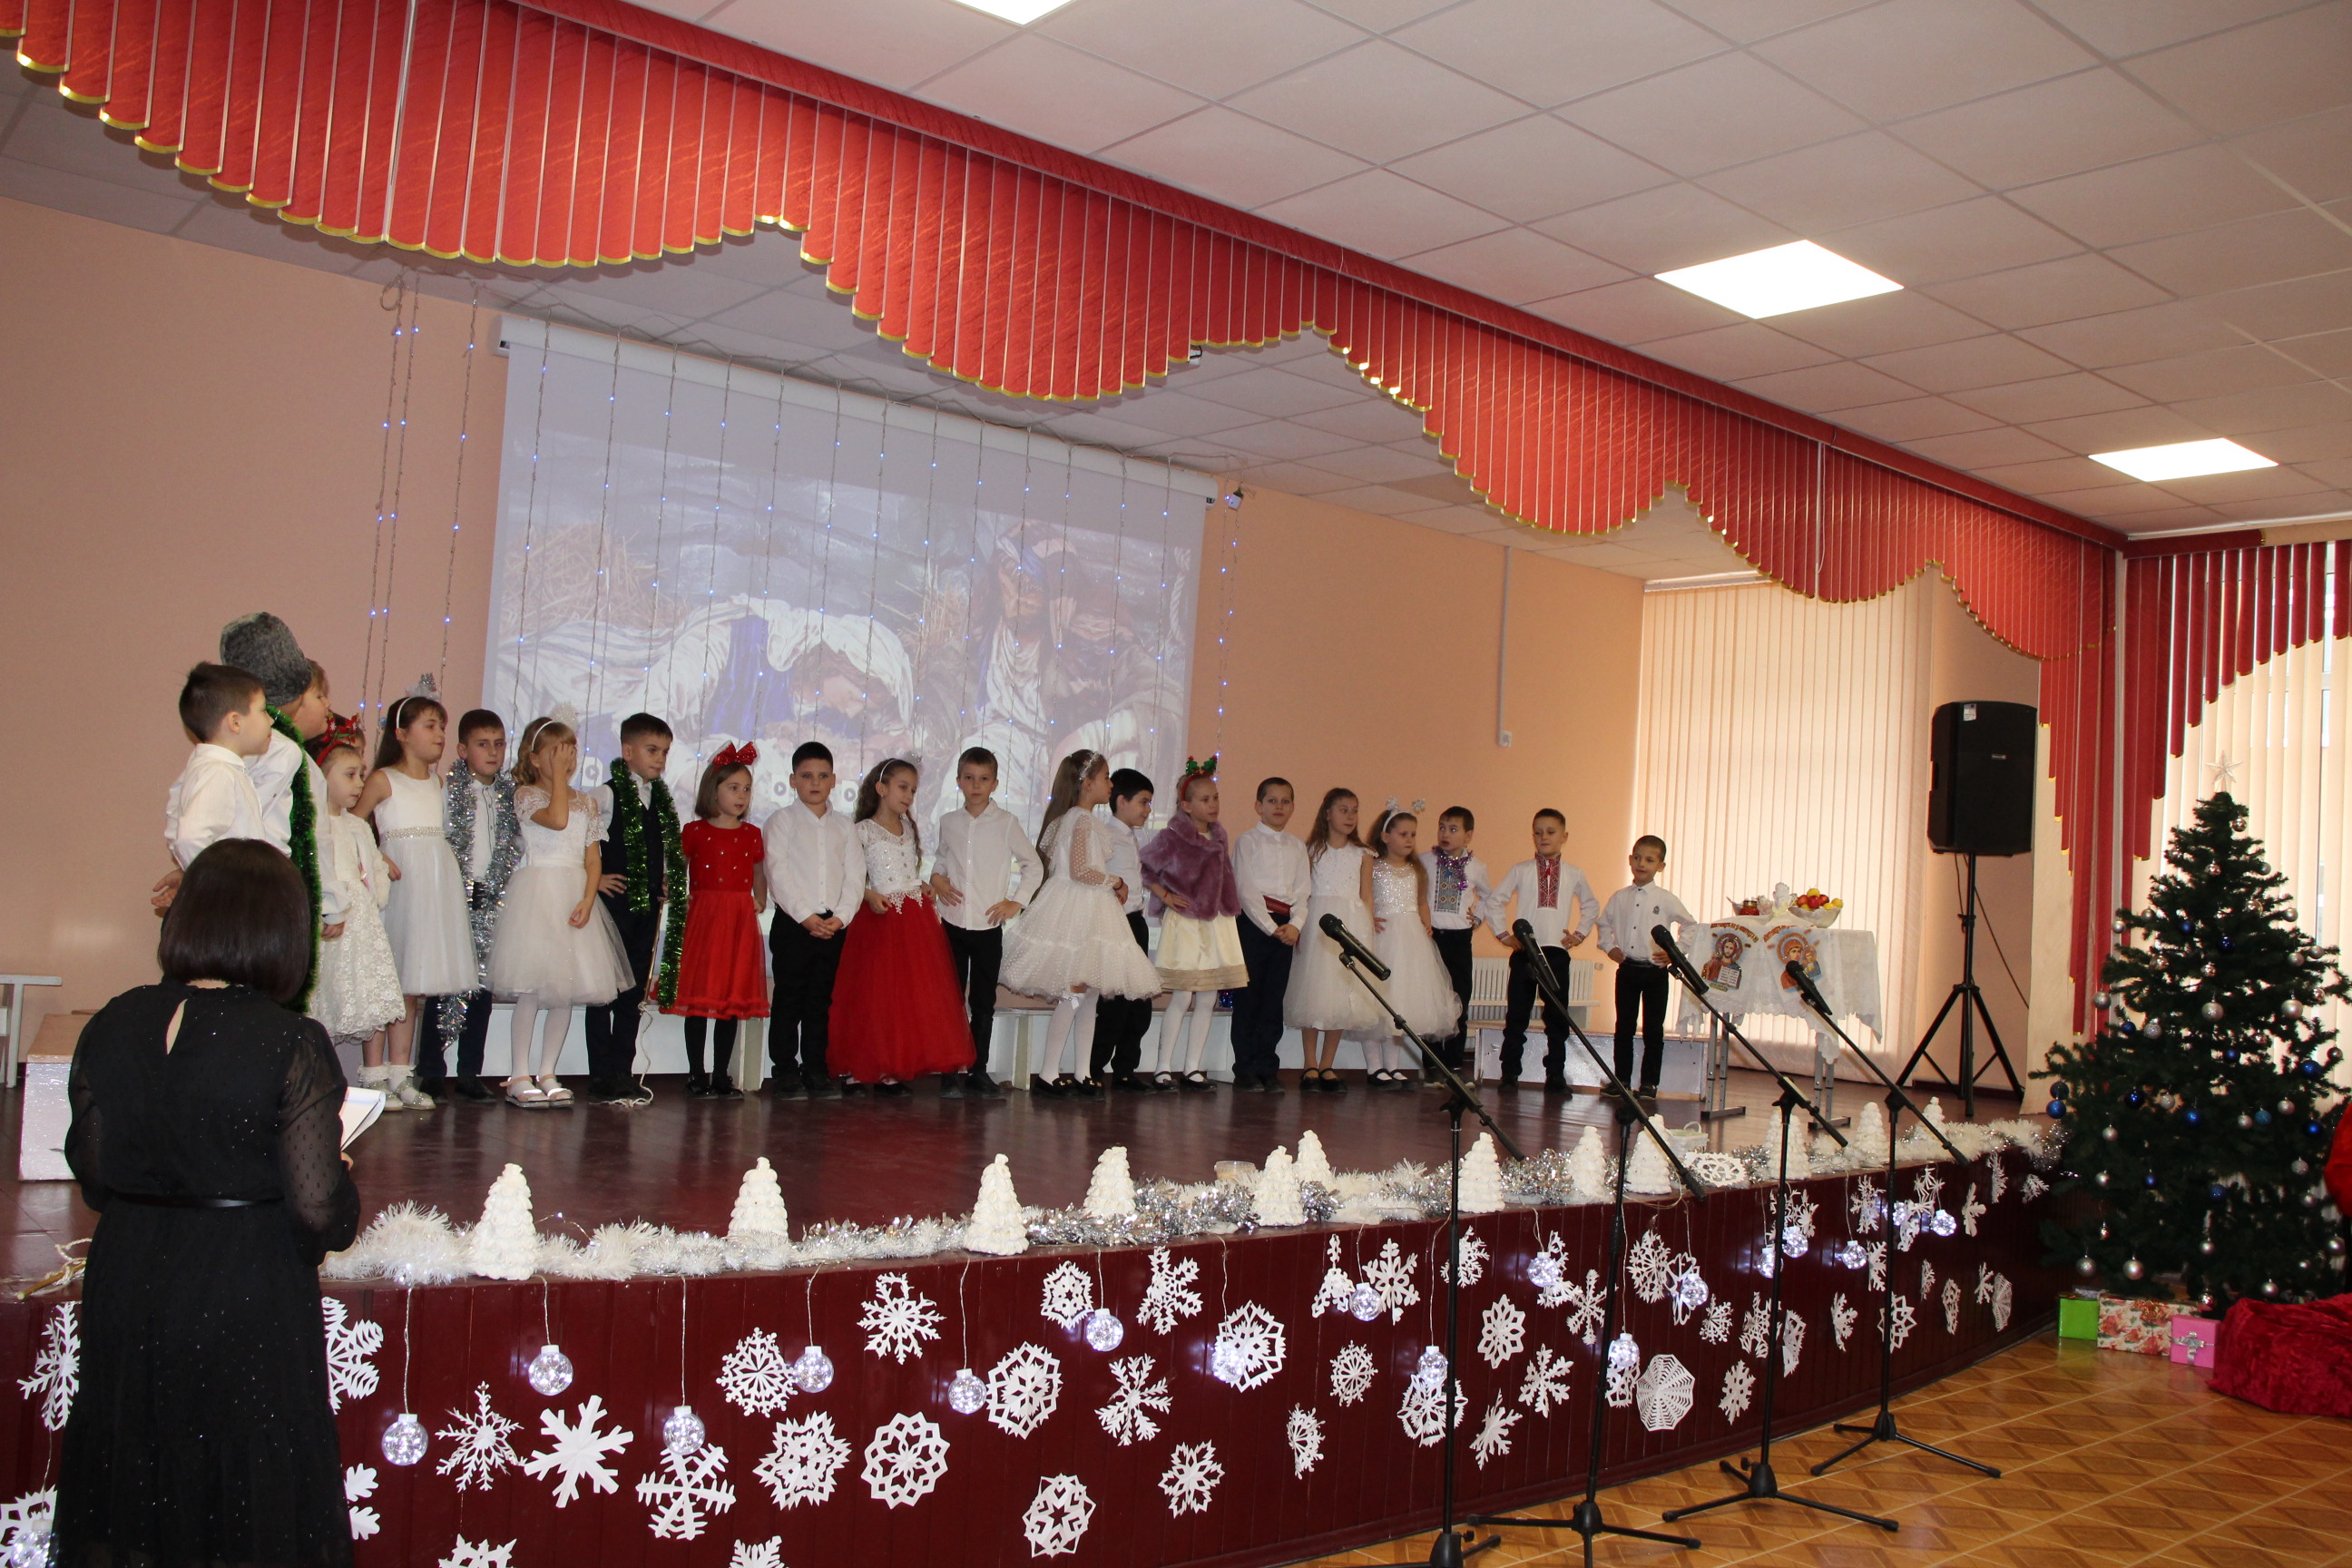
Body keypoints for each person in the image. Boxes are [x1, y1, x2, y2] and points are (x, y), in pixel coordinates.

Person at [59, 838, 359, 1568]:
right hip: (242, 1286)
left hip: (128, 1278)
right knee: (246, 1487)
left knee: (135, 1473)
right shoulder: (291, 1040)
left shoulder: (111, 1021)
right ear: (281, 933)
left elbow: (94, 1175)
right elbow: (320, 1213)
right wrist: (341, 1178)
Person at [489, 718, 634, 1107]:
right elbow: (557, 820)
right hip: (539, 896)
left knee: (564, 991)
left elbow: (593, 860)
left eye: (570, 750)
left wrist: (588, 899)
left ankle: (548, 1070)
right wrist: (555, 778)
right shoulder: (526, 795)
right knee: (532, 989)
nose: (566, 758)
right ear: (535, 758)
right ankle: (520, 1073)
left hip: (574, 896)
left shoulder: (587, 802)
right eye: (556, 752)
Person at [1002, 749, 1160, 1097]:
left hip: (1085, 907)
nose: (1110, 783)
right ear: (1087, 784)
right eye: (1105, 778)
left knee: (1087, 995)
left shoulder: (1072, 819)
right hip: (1078, 908)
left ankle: (1084, 1071)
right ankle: (1048, 1072)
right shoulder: (1082, 820)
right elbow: (1081, 871)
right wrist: (1116, 881)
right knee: (1074, 995)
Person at [831, 759, 977, 1095]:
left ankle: (891, 1068)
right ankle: (861, 1068)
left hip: (913, 918)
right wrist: (868, 894)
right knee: (874, 994)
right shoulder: (862, 830)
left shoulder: (908, 828)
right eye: (902, 787)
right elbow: (849, 876)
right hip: (879, 918)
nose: (909, 795)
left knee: (904, 997)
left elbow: (907, 872)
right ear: (881, 788)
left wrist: (922, 885)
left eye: (912, 790)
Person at [356, 690, 472, 1109]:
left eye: (442, 726)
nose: (440, 734)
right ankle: (373, 1077)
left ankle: (401, 1075)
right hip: (397, 887)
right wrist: (376, 856)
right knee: (386, 980)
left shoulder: (440, 783)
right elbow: (352, 827)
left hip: (431, 887)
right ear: (402, 734)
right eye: (430, 726)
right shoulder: (383, 779)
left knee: (411, 983)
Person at [928, 745, 1042, 1099]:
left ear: (994, 784)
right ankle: (949, 1071)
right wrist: (937, 878)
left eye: (983, 779)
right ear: (959, 780)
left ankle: (978, 1071)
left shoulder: (1006, 823)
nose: (976, 785)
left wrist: (1016, 902)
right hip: (952, 924)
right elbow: (941, 860)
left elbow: (1033, 865)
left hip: (987, 928)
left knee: (982, 1003)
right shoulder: (949, 822)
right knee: (950, 1001)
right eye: (969, 778)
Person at [420, 709, 517, 1103]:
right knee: (444, 984)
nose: (492, 752)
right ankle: (430, 1071)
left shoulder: (510, 796)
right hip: (457, 895)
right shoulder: (449, 791)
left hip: (494, 898)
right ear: (462, 750)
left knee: (481, 991)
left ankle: (469, 1072)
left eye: (499, 744)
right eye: (482, 744)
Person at [584, 712, 679, 1104]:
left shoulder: (660, 799)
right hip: (613, 908)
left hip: (646, 910)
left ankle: (622, 1070)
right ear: (627, 751)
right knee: (604, 990)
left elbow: (658, 849)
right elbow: (579, 841)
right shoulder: (605, 795)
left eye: (665, 752)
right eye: (652, 750)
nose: (660, 759)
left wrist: (663, 877)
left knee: (634, 990)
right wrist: (594, 878)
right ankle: (601, 1074)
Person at [666, 743, 769, 1099]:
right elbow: (677, 868)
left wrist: (760, 897)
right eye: (733, 787)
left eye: (746, 789)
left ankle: (722, 1074)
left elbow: (758, 869)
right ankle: (697, 1073)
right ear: (713, 790)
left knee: (731, 1001)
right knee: (699, 999)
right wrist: (676, 892)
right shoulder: (694, 831)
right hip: (706, 919)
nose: (741, 795)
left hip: (738, 919)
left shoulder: (751, 834)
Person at [763, 741, 864, 1099]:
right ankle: (785, 1069)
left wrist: (841, 917)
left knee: (821, 1001)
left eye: (822, 776)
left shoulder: (845, 826)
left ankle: (816, 1068)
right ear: (793, 780)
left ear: (834, 780)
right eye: (806, 776)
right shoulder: (781, 822)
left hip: (833, 926)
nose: (815, 783)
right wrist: (806, 917)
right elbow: (778, 873)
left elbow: (855, 877)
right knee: (789, 998)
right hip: (794, 924)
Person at [1141, 759, 1249, 1093]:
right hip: (1187, 924)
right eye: (1205, 799)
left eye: (1215, 798)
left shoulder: (1219, 835)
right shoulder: (1172, 836)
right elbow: (1145, 867)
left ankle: (1193, 1068)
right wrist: (1165, 895)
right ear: (1186, 805)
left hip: (1217, 922)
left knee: (1208, 996)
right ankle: (1163, 1067)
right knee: (1183, 995)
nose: (1213, 805)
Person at [1485, 808, 1600, 1093]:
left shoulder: (1574, 873)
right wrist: (1504, 935)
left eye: (1550, 832)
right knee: (1517, 1015)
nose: (1543, 837)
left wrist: (1578, 935)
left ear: (1564, 836)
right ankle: (1510, 1073)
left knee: (1557, 1017)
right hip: (1525, 952)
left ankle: (1556, 1075)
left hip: (1556, 953)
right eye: (1538, 832)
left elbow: (1591, 905)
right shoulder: (1521, 869)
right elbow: (1495, 901)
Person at [306, 741, 404, 1063]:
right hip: (331, 918)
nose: (360, 783)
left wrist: (378, 884)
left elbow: (372, 862)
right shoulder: (313, 824)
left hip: (360, 920)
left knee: (366, 992)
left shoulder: (359, 825)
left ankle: (374, 1074)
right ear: (322, 777)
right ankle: (318, 1071)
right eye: (350, 775)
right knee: (326, 995)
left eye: (361, 775)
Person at [1286, 788, 1384, 1091]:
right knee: (1313, 992)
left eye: (1354, 810)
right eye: (1343, 810)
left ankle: (1327, 1064)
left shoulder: (1363, 854)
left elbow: (1366, 896)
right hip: (1318, 924)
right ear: (1327, 813)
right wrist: (1299, 926)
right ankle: (1309, 1064)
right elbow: (1302, 892)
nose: (1350, 816)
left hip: (1350, 925)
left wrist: (1365, 932)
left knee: (1342, 994)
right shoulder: (1311, 850)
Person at [1360, 806, 1463, 1088]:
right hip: (1383, 937)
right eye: (1403, 834)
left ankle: (1393, 1067)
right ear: (1385, 836)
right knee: (1376, 1005)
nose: (1409, 840)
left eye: (1413, 835)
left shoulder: (1416, 869)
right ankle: (1374, 1067)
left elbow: (1421, 903)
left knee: (1401, 1004)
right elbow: (1365, 897)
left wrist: (1426, 925)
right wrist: (1368, 920)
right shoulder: (1374, 865)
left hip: (1410, 941)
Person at [1595, 834, 1700, 1101]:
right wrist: (1609, 947)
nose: (1642, 864)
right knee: (1624, 1026)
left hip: (1655, 972)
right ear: (1630, 860)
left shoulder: (1665, 899)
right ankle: (1621, 1080)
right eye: (1638, 858)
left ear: (1660, 866)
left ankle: (1650, 1083)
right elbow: (1604, 924)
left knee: (1653, 1028)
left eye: (1650, 860)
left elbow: (1690, 925)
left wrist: (1675, 952)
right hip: (1628, 970)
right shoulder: (1619, 898)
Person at [1232, 776, 1309, 1094]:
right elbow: (1246, 890)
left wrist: (1296, 925)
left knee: (1273, 1000)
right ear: (1258, 805)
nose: (1279, 807)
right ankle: (1245, 1069)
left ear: (1293, 807)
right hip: (1255, 925)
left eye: (1285, 801)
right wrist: (1269, 927)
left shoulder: (1297, 846)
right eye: (1272, 800)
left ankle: (1267, 1067)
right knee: (1249, 998)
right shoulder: (1247, 842)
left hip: (1286, 928)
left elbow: (1303, 892)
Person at [164, 662, 275, 871]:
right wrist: (222, 885)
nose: (270, 720)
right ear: (235, 722)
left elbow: (174, 822)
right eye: (263, 711)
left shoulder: (218, 769)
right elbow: (189, 839)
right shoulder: (218, 772)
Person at [1092, 769, 1158, 1091]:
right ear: (1121, 801)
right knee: (1113, 1004)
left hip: (1136, 923)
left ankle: (1125, 1069)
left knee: (1140, 1003)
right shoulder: (1105, 836)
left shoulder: (1133, 837)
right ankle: (1093, 1069)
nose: (1148, 810)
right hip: (1115, 925)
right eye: (1143, 802)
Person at [1421, 806, 1491, 1082]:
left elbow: (1489, 896)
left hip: (1460, 938)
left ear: (1468, 835)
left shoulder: (1476, 867)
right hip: (1431, 936)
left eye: (1453, 829)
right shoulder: (1425, 861)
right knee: (1431, 998)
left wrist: (1478, 917)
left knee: (1459, 998)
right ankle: (1431, 1060)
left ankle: (1454, 1060)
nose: (1445, 834)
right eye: (1442, 827)